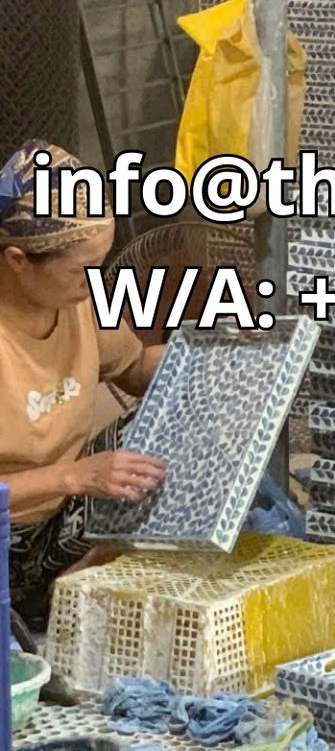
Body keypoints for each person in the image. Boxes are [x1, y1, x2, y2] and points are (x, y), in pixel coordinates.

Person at [0, 139, 167, 626]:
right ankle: (35, 606)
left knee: (166, 428)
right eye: (83, 269)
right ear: (17, 260)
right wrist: (74, 476)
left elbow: (136, 369)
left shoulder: (80, 302)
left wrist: (214, 356)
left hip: (59, 526)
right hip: (8, 535)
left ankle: (64, 590)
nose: (94, 280)